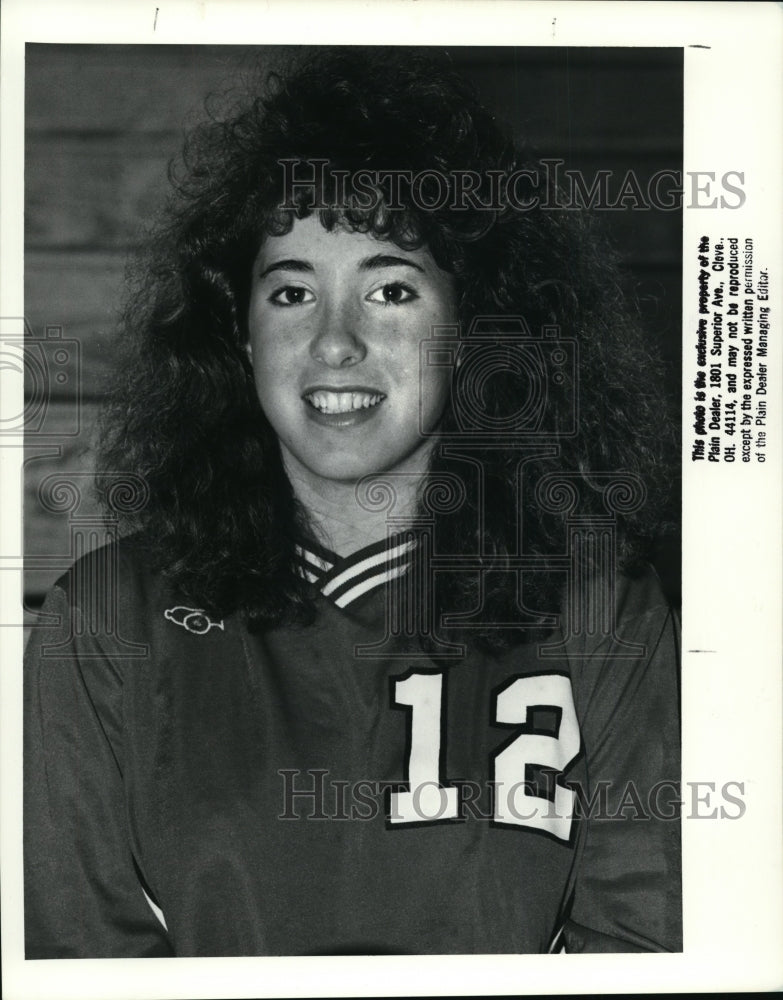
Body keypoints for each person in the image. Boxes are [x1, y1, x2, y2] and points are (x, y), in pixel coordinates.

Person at [24, 47, 681, 957]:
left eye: (390, 289)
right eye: (291, 291)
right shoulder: (106, 621)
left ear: (475, 328)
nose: (334, 342)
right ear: (240, 335)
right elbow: (77, 957)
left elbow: (647, 944)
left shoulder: (603, 605)